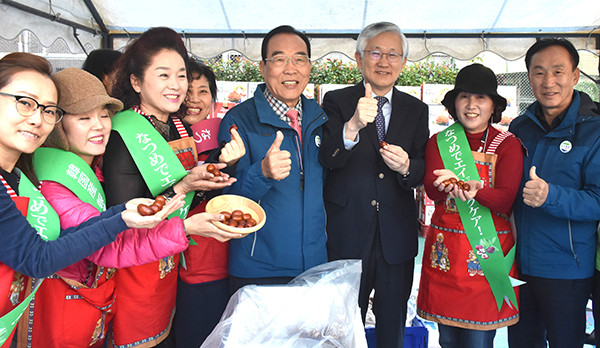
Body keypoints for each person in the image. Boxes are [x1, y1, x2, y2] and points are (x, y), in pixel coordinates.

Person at [19, 67, 234, 347]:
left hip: (97, 306)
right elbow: (112, 246)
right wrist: (186, 226)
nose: (99, 125)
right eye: (84, 118)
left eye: (104, 115)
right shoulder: (53, 184)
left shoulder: (98, 168)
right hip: (64, 310)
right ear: (56, 124)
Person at [0, 52, 181, 347]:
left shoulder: (17, 177)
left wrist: (122, 212)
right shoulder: (49, 180)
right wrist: (180, 227)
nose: (36, 118)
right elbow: (37, 257)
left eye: (47, 110)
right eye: (24, 103)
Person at [103, 27, 241, 347]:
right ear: (136, 81)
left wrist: (219, 168)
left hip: (168, 269)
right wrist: (184, 185)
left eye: (181, 75)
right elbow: (127, 223)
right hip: (135, 273)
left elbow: (188, 200)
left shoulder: (176, 125)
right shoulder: (125, 132)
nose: (176, 85)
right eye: (163, 75)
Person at [319, 21, 429, 347]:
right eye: (376, 53)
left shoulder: (417, 109)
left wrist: (408, 166)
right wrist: (352, 126)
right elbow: (329, 157)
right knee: (342, 323)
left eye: (393, 54)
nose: (384, 61)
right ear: (359, 58)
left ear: (404, 63)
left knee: (392, 322)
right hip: (348, 231)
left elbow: (423, 167)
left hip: (396, 235)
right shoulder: (337, 101)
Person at [416, 63, 522, 348]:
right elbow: (431, 189)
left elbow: (505, 199)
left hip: (487, 261)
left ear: (492, 106)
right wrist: (445, 185)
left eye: (481, 98)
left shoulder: (507, 144)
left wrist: (472, 191)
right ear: (454, 103)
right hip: (445, 257)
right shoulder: (440, 141)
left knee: (479, 341)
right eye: (464, 97)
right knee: (448, 340)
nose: (472, 105)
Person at [217, 25, 328, 292]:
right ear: (263, 67)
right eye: (279, 59)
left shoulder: (321, 118)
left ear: (309, 66)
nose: (291, 69)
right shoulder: (238, 120)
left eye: (299, 59)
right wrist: (262, 173)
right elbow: (224, 201)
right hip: (258, 268)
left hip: (314, 266)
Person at [507, 38, 600, 348]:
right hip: (519, 265)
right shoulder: (520, 127)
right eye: (539, 72)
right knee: (521, 342)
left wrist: (551, 196)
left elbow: (598, 201)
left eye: (558, 71)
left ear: (574, 75)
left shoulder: (594, 129)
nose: (549, 82)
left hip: (567, 268)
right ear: (528, 76)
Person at [174, 58, 245, 347]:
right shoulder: (160, 141)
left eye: (203, 91)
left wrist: (226, 163)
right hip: (179, 266)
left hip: (224, 262)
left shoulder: (227, 139)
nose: (194, 99)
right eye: (187, 90)